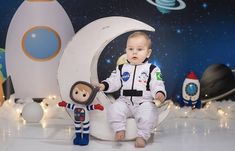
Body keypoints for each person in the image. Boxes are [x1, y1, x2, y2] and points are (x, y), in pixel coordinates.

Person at [98, 31, 167, 148]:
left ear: (148, 53)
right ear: (126, 51)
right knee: (114, 109)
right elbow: (114, 81)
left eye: (139, 49)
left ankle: (142, 136)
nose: (134, 52)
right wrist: (104, 85)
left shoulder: (152, 69)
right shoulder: (121, 68)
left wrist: (159, 92)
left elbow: (157, 83)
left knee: (149, 114)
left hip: (143, 101)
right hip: (124, 100)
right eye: (130, 49)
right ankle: (119, 129)